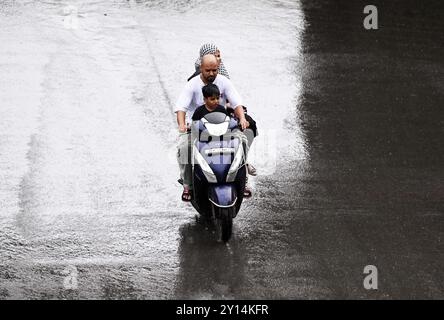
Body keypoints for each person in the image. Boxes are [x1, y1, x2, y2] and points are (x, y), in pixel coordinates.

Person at [175, 54, 256, 201]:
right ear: (201, 68)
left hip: (222, 128)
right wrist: (181, 125)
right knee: (184, 147)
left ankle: (243, 180)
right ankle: (188, 185)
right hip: (198, 129)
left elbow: (236, 103)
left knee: (242, 140)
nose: (211, 73)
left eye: (214, 70)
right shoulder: (192, 85)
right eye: (208, 70)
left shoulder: (224, 83)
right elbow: (181, 108)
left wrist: (242, 119)